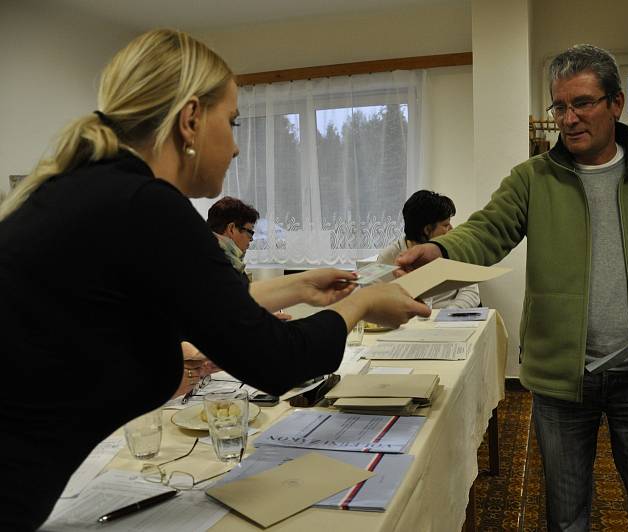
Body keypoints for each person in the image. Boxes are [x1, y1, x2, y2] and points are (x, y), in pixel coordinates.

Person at [0, 29, 429, 530]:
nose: (237, 147)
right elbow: (277, 361)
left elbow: (200, 304)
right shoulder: (147, 206)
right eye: (233, 121)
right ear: (190, 120)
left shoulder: (90, 192)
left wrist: (295, 287)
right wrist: (362, 304)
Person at [396, 44, 628, 530]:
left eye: (583, 103)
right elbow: (488, 229)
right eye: (560, 106)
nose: (569, 118)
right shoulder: (532, 178)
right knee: (564, 520)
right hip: (563, 379)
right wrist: (443, 251)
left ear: (616, 103)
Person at [377, 190, 480, 309]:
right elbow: (376, 299)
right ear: (427, 230)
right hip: (408, 323)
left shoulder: (454, 249)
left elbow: (471, 293)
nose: (452, 229)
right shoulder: (390, 257)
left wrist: (446, 316)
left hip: (449, 318)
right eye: (446, 225)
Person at [206, 195, 259, 285]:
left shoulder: (210, 254)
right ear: (231, 229)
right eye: (250, 232)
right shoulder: (220, 268)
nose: (251, 239)